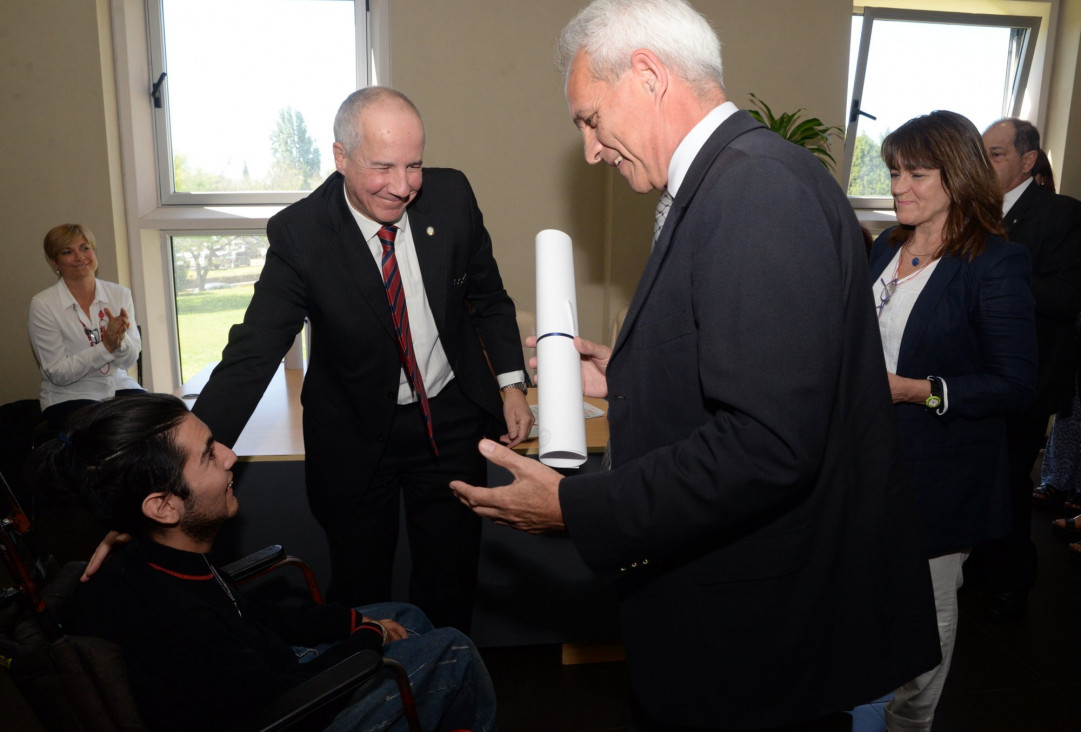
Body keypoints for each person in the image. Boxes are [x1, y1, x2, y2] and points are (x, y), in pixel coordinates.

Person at [452, 1, 941, 729]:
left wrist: (572, 506)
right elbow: (754, 367)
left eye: (589, 119)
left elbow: (768, 443)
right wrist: (626, 375)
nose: (589, 150)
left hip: (759, 636)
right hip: (742, 621)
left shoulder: (755, 189)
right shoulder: (731, 178)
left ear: (647, 76)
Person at [191, 87, 533, 631]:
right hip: (353, 433)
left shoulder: (451, 196)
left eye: (414, 164)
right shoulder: (301, 234)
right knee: (360, 586)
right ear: (341, 158)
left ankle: (444, 687)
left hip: (446, 419)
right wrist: (182, 459)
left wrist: (513, 384)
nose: (402, 186)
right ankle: (367, 698)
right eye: (383, 167)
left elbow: (488, 298)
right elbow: (252, 353)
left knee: (449, 578)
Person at [39, 393, 495, 732]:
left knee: (407, 615)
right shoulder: (174, 617)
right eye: (209, 455)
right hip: (282, 714)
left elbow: (248, 615)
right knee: (453, 650)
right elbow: (276, 703)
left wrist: (353, 621)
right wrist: (365, 640)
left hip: (265, 672)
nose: (230, 456)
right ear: (162, 506)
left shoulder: (157, 553)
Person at [870, 110, 1037, 732]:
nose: (897, 186)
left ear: (958, 175)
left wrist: (915, 391)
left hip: (941, 471)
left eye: (916, 172)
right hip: (868, 457)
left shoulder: (995, 261)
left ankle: (909, 723)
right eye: (893, 172)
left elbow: (1015, 383)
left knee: (926, 614)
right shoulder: (886, 247)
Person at [971, 118, 1081, 620]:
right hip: (970, 373)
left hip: (1027, 376)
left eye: (995, 153)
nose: (985, 162)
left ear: (1027, 160)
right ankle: (973, 568)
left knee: (1010, 479)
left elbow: (1065, 297)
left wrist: (997, 282)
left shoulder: (1062, 216)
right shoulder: (970, 211)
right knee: (977, 475)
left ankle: (1011, 580)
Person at [28, 223, 143, 432]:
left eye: (85, 248)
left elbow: (129, 360)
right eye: (67, 252)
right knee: (110, 432)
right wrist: (106, 347)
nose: (80, 257)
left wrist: (120, 341)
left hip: (118, 387)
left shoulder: (120, 295)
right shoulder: (43, 304)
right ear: (55, 262)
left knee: (167, 418)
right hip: (69, 396)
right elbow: (58, 373)